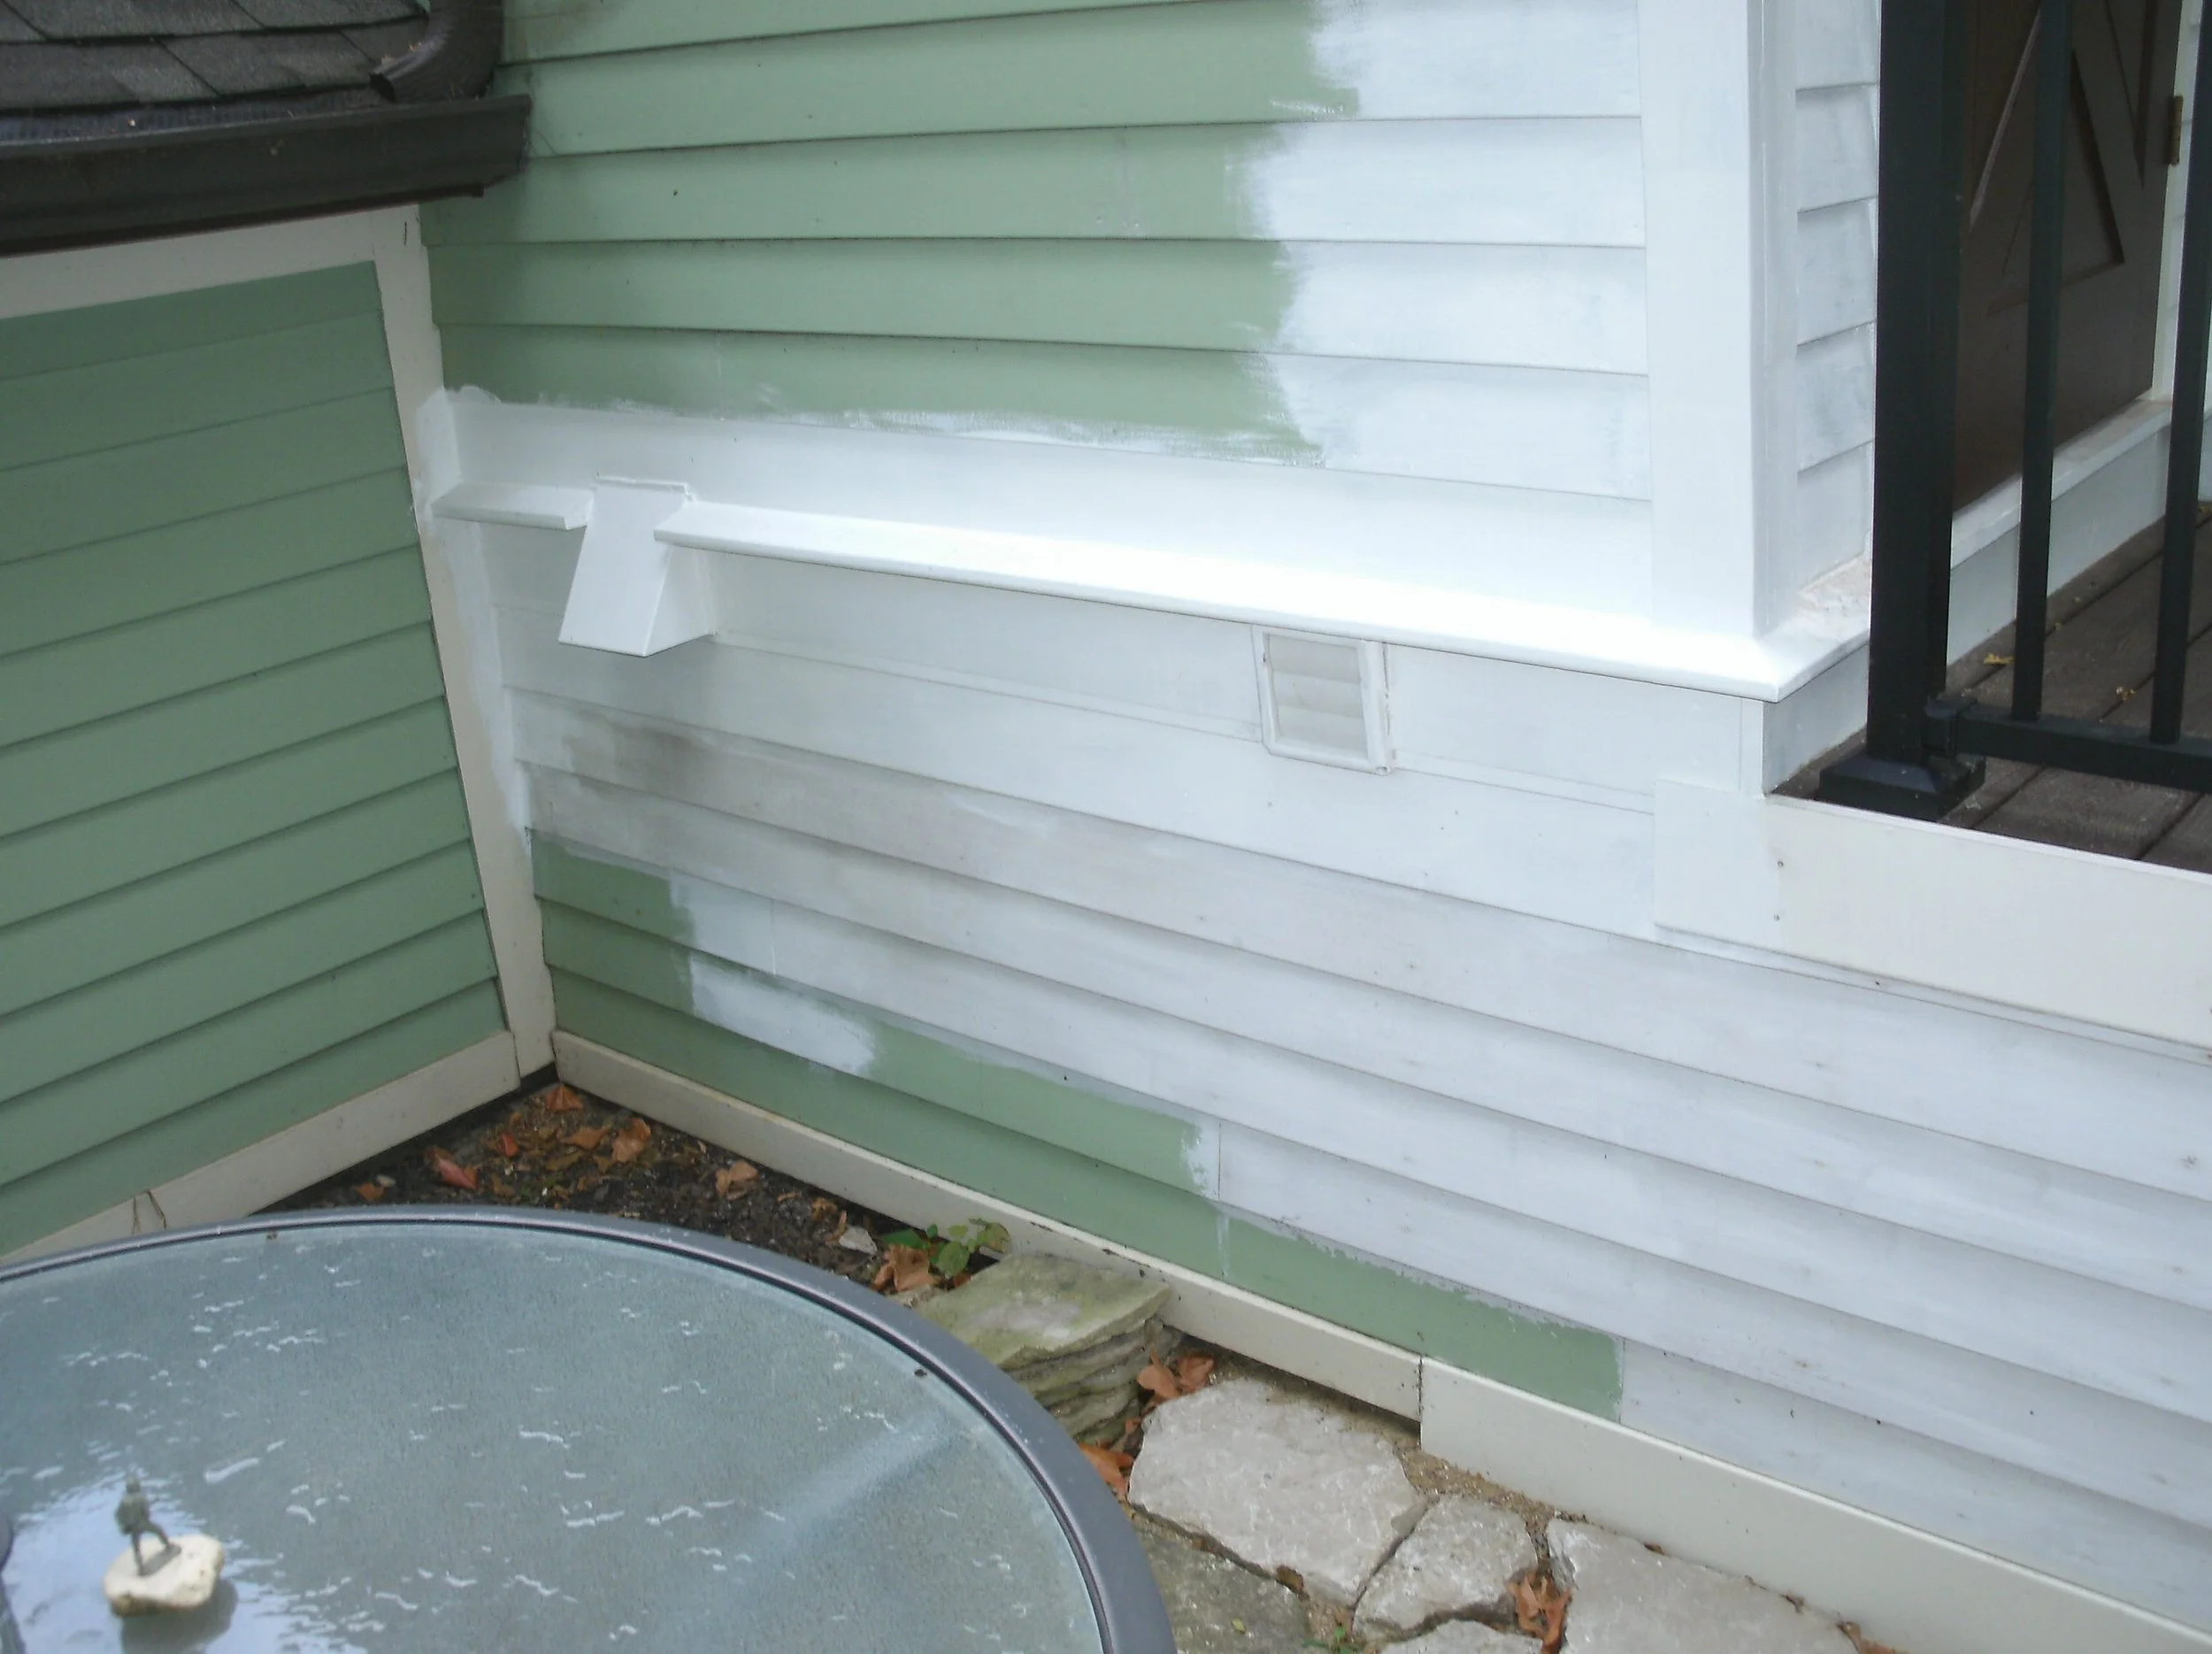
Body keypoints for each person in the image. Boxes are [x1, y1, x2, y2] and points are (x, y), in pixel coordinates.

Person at [113, 1477, 173, 1574]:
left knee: (136, 1545)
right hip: (142, 1523)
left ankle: (140, 1567)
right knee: (159, 1530)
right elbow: (146, 1512)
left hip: (132, 1527)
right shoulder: (141, 1497)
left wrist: (125, 1527)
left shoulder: (124, 1500)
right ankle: (168, 1546)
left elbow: (118, 1514)